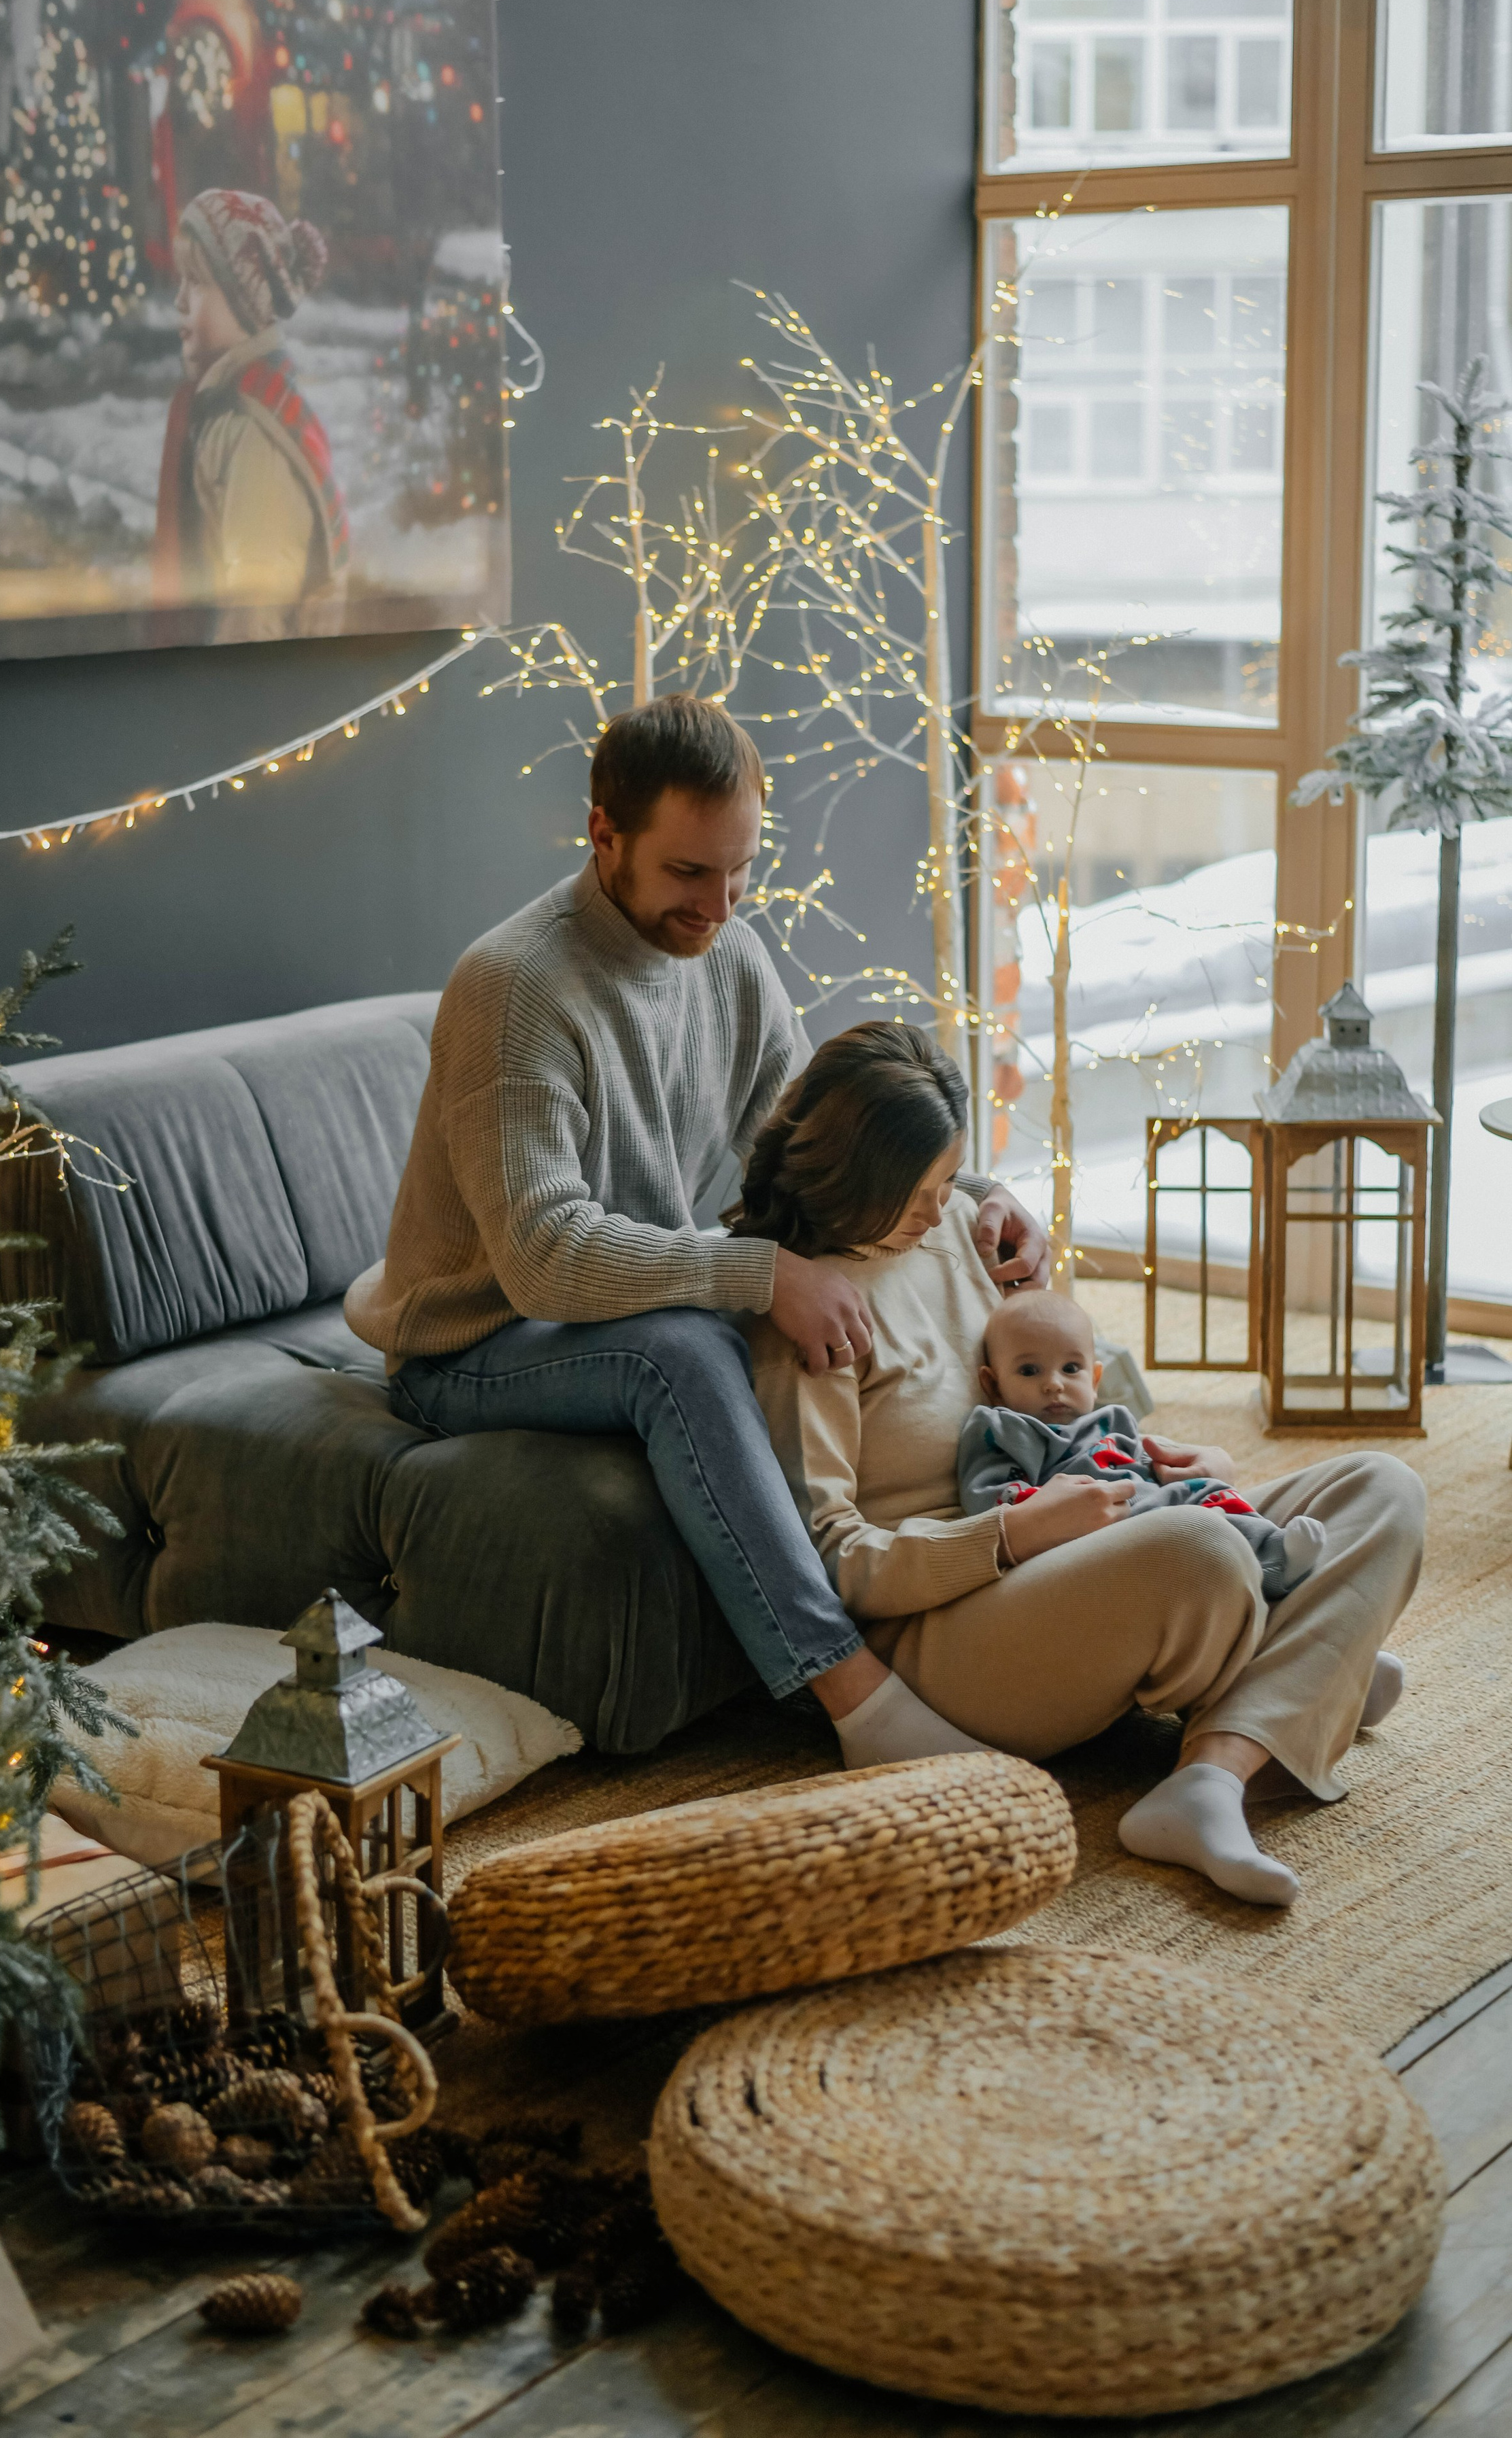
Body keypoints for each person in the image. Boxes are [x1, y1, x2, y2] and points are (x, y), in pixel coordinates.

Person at [344, 695, 1053, 1770]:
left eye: (741, 871)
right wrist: (760, 1273)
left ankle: (1030, 1554)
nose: (719, 906)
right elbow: (540, 1258)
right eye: (688, 874)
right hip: (474, 1345)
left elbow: (818, 1151)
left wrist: (975, 1198)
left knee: (842, 1281)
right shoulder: (516, 988)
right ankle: (855, 1697)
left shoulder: (728, 952)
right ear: (604, 835)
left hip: (621, 1291)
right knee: (688, 1349)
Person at [735, 1018, 1422, 1908]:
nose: (942, 1203)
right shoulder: (809, 1318)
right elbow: (836, 1566)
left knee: (1382, 1490)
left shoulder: (949, 1226)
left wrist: (1177, 1463)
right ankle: (1309, 1663)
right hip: (960, 1620)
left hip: (1078, 1538)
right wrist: (1010, 1534)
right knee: (1201, 1556)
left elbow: (1051, 1387)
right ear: (854, 1171)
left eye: (951, 1179)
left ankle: (1211, 1778)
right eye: (923, 1185)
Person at [958, 1291, 1325, 1602]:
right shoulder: (1003, 1429)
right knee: (1195, 1530)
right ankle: (1233, 1560)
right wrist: (1041, 1509)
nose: (1054, 1384)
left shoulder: (1110, 1420)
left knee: (1210, 1490)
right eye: (1029, 1371)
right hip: (1101, 1529)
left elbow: (1143, 1459)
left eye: (1071, 1368)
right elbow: (989, 1497)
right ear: (992, 1385)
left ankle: (1275, 1558)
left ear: (1095, 1378)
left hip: (1154, 1500)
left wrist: (1184, 1469)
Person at [152, 186, 351, 628]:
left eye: (198, 282)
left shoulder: (256, 436)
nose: (179, 300)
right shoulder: (224, 407)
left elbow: (253, 621)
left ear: (247, 299)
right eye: (181, 280)